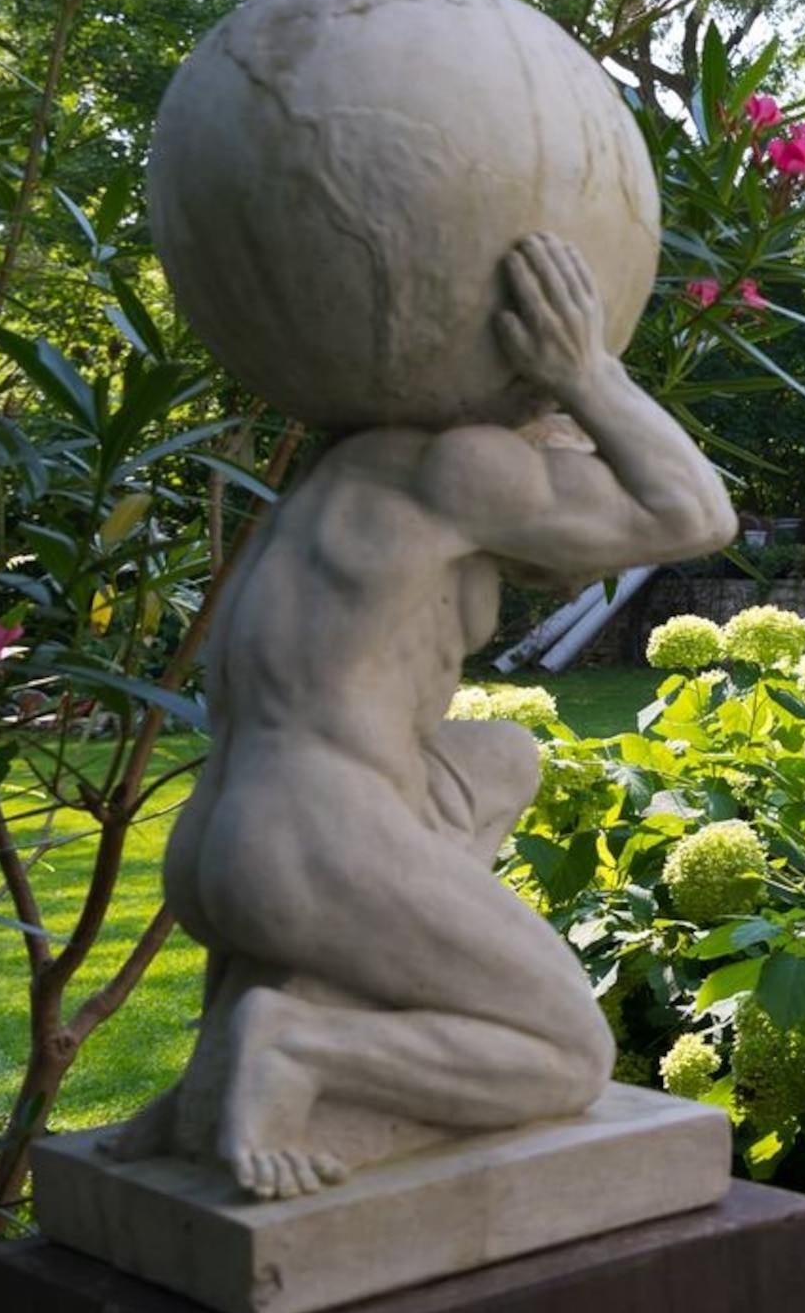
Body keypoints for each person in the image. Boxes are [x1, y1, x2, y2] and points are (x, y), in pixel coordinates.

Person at [126, 234, 734, 1198]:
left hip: (226, 839)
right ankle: (300, 1050)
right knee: (565, 1054)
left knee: (503, 758)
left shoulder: (337, 485)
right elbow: (696, 515)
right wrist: (591, 373)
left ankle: (219, 1071)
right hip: (318, 838)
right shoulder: (462, 472)